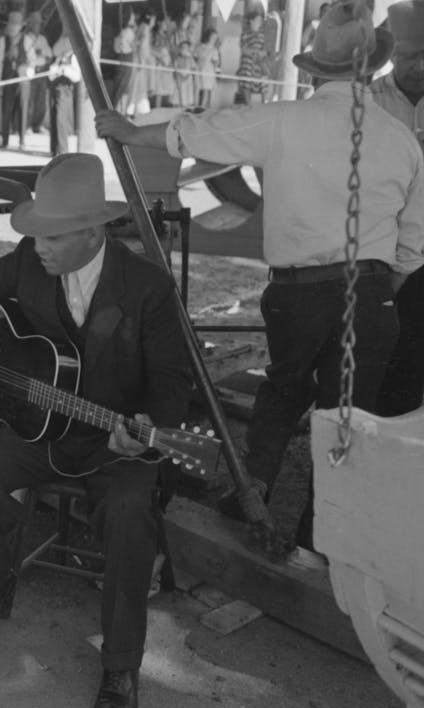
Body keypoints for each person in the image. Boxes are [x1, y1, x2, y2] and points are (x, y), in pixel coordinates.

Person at [96, 0, 424, 550]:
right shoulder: (403, 141)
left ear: (314, 70)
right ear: (370, 71)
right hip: (370, 294)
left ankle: (258, 487)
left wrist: (128, 131)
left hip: (301, 293)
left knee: (284, 389)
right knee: (348, 418)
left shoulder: (283, 119)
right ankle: (321, 536)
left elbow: (195, 135)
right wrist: (375, 294)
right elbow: (413, 247)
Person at [0, 153, 192, 708]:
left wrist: (145, 430)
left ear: (92, 231)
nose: (38, 245)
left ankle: (121, 664)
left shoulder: (148, 287)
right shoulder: (31, 261)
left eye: (52, 235)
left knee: (130, 510)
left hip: (114, 441)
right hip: (37, 427)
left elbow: (172, 381)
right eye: (34, 233)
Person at [372, 0, 424, 416]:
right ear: (392, 54)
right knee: (377, 354)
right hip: (381, 247)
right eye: (409, 56)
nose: (419, 66)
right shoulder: (368, 101)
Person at [0, 11, 30, 149]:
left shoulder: (27, 40)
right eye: (11, 24)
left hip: (23, 81)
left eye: (16, 24)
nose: (13, 27)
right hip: (8, 79)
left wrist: (27, 69)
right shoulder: (3, 41)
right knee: (6, 110)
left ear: (20, 26)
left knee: (22, 109)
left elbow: (33, 60)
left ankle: (22, 141)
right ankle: (6, 140)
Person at [47, 34, 80, 155]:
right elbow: (51, 75)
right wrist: (54, 71)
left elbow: (77, 77)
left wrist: (66, 71)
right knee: (54, 118)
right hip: (55, 89)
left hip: (65, 91)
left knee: (61, 120)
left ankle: (63, 150)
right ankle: (54, 149)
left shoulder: (73, 57)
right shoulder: (60, 58)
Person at [23, 12, 53, 134]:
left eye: (39, 24)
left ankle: (38, 124)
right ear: (30, 25)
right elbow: (29, 58)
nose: (37, 26)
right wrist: (40, 57)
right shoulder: (26, 38)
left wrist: (40, 57)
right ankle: (27, 125)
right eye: (34, 23)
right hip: (31, 72)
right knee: (30, 99)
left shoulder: (42, 39)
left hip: (42, 72)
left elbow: (49, 56)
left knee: (41, 100)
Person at [236, 11, 268, 105]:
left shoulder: (262, 35)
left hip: (259, 63)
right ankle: (248, 105)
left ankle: (264, 104)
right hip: (247, 63)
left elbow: (265, 51)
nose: (260, 22)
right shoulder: (245, 34)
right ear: (252, 21)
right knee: (246, 83)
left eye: (260, 20)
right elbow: (244, 50)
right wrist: (255, 53)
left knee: (264, 81)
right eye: (258, 20)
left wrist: (261, 54)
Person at [112, 10, 136, 113]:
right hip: (126, 59)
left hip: (120, 58)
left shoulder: (120, 31)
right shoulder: (128, 32)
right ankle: (117, 111)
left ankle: (118, 110)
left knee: (120, 87)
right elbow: (134, 46)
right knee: (123, 88)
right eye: (133, 17)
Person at [194, 28, 220, 107]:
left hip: (208, 70)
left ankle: (202, 106)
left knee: (206, 88)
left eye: (215, 38)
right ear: (208, 37)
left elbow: (216, 61)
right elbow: (195, 57)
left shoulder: (214, 50)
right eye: (212, 37)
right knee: (197, 87)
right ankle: (195, 105)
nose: (214, 39)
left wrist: (214, 70)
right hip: (199, 68)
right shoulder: (199, 47)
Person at [172, 39, 197, 108]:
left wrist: (188, 75)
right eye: (182, 47)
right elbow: (175, 68)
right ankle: (178, 106)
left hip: (188, 78)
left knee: (187, 93)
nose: (184, 49)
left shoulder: (190, 58)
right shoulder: (177, 58)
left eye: (186, 47)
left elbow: (193, 68)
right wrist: (179, 75)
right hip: (179, 78)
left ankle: (187, 107)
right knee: (179, 93)